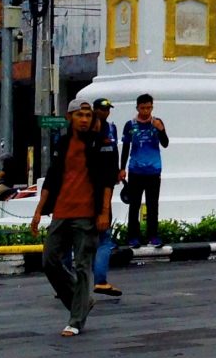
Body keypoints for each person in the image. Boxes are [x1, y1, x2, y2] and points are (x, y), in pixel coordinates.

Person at [30, 98, 117, 337]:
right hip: (62, 210)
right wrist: (39, 210)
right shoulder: (63, 143)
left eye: (89, 116)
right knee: (50, 261)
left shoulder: (102, 142)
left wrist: (104, 212)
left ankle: (76, 320)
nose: (85, 120)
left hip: (88, 212)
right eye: (80, 115)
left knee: (81, 266)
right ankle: (81, 302)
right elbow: (52, 177)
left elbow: (108, 179)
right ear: (70, 118)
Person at [120, 93, 168, 248]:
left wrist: (161, 130)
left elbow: (165, 143)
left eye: (148, 107)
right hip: (135, 170)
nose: (146, 111)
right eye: (143, 108)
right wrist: (122, 168)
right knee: (134, 204)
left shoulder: (158, 122)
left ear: (152, 107)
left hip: (154, 170)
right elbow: (125, 147)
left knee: (152, 204)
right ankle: (133, 236)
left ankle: (153, 235)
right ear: (137, 108)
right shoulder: (130, 125)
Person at [91, 98, 122, 299]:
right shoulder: (95, 137)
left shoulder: (111, 129)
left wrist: (117, 171)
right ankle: (99, 280)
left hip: (102, 187)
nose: (105, 113)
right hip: (97, 190)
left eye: (107, 109)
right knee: (102, 239)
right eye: (101, 110)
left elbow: (115, 152)